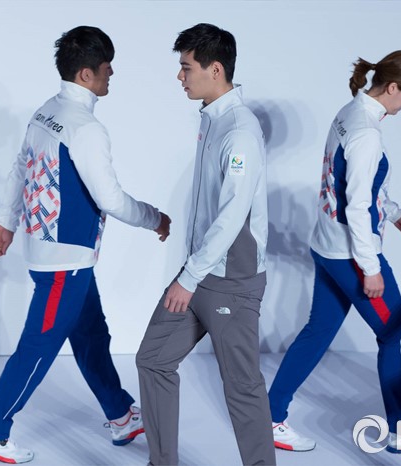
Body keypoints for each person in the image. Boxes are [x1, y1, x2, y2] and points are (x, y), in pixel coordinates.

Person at [0, 26, 171, 464]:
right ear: (85, 74)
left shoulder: (47, 111)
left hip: (60, 255)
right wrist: (155, 217)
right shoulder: (86, 128)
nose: (112, 73)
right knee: (38, 348)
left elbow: (20, 168)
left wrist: (6, 223)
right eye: (106, 67)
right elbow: (111, 199)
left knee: (93, 336)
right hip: (65, 262)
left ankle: (121, 415)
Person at [267, 51, 401, 454]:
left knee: (317, 332)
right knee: (395, 333)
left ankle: (268, 416)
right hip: (351, 254)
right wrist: (370, 267)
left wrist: (394, 213)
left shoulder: (350, 112)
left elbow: (350, 185)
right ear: (393, 87)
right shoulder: (366, 133)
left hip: (327, 246)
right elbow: (356, 205)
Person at [135, 23, 275, 466]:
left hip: (231, 282)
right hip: (199, 272)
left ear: (215, 69)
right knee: (153, 359)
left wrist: (189, 276)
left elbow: (232, 216)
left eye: (186, 67)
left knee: (242, 386)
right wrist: (192, 272)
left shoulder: (240, 131)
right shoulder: (212, 118)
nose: (180, 76)